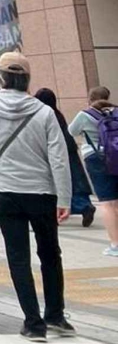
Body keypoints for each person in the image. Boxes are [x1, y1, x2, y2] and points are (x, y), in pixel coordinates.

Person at [0, 52, 72, 342]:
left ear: (0, 78)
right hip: (42, 193)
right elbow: (59, 159)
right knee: (50, 254)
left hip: (6, 192)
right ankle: (55, 315)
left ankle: (33, 323)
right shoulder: (44, 112)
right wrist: (64, 198)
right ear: (27, 79)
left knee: (18, 258)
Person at [67, 86, 118, 255]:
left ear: (90, 99)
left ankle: (115, 245)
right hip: (116, 155)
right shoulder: (116, 111)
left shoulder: (85, 114)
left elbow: (72, 131)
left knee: (107, 202)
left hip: (96, 158)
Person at [34, 88, 94, 229]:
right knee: (76, 181)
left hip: (57, 152)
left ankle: (77, 207)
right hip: (70, 150)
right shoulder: (58, 114)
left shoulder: (44, 115)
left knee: (60, 183)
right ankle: (85, 205)